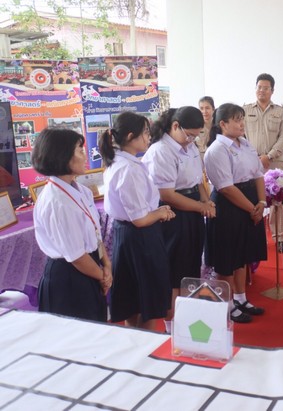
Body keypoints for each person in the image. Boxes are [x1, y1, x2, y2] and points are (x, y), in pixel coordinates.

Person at [142, 106, 216, 332]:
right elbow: (167, 195)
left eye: (196, 136)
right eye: (189, 135)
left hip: (192, 209)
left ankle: (187, 319)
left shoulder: (189, 146)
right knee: (174, 272)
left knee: (190, 266)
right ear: (175, 126)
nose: (192, 140)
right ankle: (171, 325)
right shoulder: (161, 151)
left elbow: (197, 180)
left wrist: (206, 200)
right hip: (173, 214)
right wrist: (201, 207)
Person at [100, 112, 175, 330]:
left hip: (128, 235)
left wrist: (157, 210)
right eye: (145, 133)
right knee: (146, 301)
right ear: (130, 136)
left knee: (133, 300)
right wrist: (160, 213)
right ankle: (147, 343)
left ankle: (136, 339)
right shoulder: (129, 169)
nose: (149, 137)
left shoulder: (120, 162)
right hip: (140, 238)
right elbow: (140, 219)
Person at [32, 128, 111, 322]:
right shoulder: (57, 201)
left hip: (90, 268)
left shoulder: (82, 191)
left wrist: (107, 264)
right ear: (63, 155)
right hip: (69, 277)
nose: (85, 156)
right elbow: (76, 256)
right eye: (80, 150)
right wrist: (103, 276)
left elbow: (94, 233)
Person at [204, 103, 267, 323]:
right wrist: (252, 209)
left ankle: (241, 298)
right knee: (227, 258)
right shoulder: (217, 150)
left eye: (242, 119)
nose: (242, 124)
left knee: (243, 255)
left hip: (250, 201)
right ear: (223, 124)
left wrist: (261, 202)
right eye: (237, 119)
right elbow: (226, 188)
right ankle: (228, 305)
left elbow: (258, 173)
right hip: (228, 206)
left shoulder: (245, 143)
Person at [243, 73, 283, 253]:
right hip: (251, 163)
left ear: (272, 90)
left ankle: (279, 238)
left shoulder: (280, 112)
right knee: (252, 199)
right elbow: (240, 135)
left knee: (277, 202)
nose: (262, 91)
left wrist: (268, 156)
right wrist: (254, 157)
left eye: (266, 88)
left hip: (274, 164)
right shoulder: (245, 110)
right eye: (259, 87)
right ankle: (255, 238)